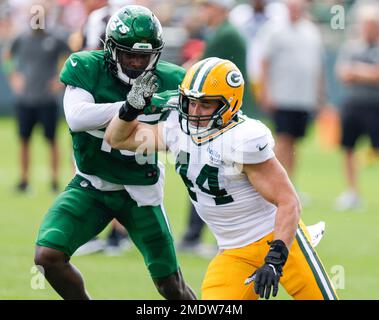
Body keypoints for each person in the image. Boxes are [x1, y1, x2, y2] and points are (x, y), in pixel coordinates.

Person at [105, 58, 338, 300]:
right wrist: (129, 109)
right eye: (191, 102)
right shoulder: (176, 130)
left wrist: (275, 260)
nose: (195, 112)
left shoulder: (242, 139)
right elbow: (117, 139)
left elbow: (289, 201)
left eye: (206, 104)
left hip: (277, 240)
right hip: (233, 251)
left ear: (230, 105)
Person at [34, 5, 195, 300]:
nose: (135, 63)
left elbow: (180, 135)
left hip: (141, 192)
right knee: (47, 256)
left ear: (155, 54)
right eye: (127, 54)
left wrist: (144, 112)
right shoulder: (86, 67)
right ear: (110, 50)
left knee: (172, 287)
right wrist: (134, 107)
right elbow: (78, 117)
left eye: (142, 56)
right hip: (91, 185)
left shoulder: (173, 80)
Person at [179, 0, 254, 255]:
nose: (203, 11)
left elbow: (200, 74)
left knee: (210, 177)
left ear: (221, 8)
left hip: (222, 119)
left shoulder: (225, 35)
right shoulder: (224, 32)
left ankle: (203, 237)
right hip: (223, 116)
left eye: (208, 6)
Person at [259, 0, 326, 186]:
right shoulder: (274, 30)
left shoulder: (311, 31)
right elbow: (264, 62)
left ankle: (289, 184)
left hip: (304, 98)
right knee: (283, 140)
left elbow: (317, 67)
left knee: (295, 143)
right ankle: (275, 184)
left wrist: (319, 95)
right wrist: (266, 92)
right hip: (283, 96)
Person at [6, 18, 70, 193]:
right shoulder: (22, 38)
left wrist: (60, 79)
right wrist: (13, 77)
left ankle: (55, 181)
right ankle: (24, 180)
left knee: (52, 140)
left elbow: (71, 56)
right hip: (26, 99)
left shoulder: (55, 39)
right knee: (24, 140)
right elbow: (8, 57)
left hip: (47, 99)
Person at [334, 4, 379, 211]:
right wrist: (368, 73)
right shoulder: (351, 47)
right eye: (367, 25)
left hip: (375, 106)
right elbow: (343, 74)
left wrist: (358, 72)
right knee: (348, 148)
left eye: (373, 25)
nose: (370, 29)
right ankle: (352, 192)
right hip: (353, 105)